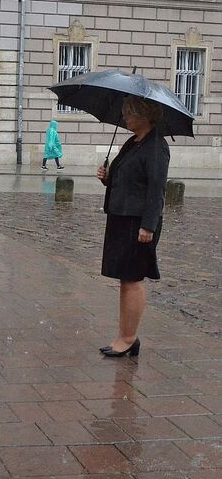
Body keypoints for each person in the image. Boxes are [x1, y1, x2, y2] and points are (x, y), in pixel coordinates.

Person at [95, 96, 170, 358]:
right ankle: (125, 336)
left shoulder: (156, 147)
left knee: (132, 280)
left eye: (129, 113)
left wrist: (148, 225)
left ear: (145, 115)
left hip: (138, 223)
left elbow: (156, 190)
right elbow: (127, 179)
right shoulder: (133, 142)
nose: (124, 118)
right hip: (121, 218)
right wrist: (107, 177)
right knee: (124, 280)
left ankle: (128, 338)